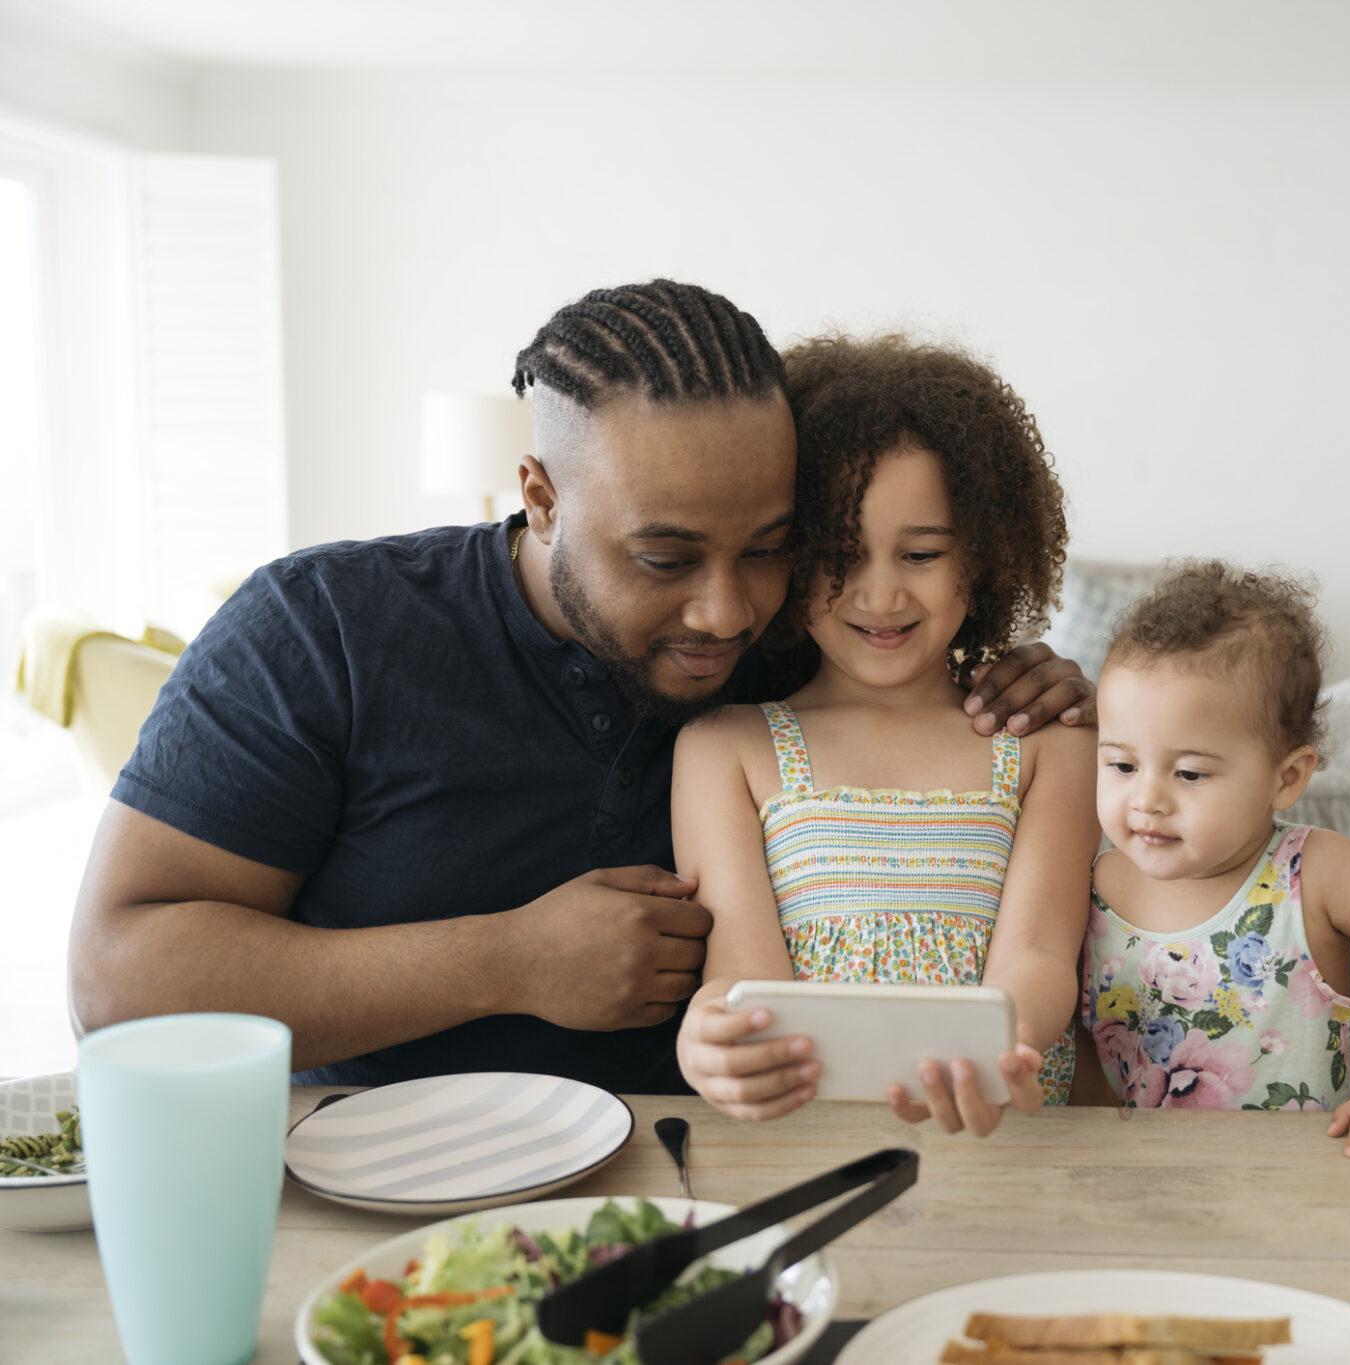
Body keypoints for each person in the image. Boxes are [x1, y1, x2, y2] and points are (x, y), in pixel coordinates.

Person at [66, 281, 1093, 1091]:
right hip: (360, 1172)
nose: (726, 613)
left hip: (698, 1174)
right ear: (541, 497)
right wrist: (502, 960)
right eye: (663, 557)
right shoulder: (324, 627)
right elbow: (119, 984)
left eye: (773, 547)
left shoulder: (789, 636)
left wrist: (1037, 684)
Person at [674, 334, 1099, 1135]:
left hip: (998, 1127)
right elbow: (738, 976)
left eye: (921, 552)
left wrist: (998, 1046)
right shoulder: (723, 746)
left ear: (982, 554)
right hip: (806, 1137)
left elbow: (1040, 953)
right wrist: (710, 1039)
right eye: (839, 554)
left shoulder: (1045, 741)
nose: (879, 591)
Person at [1078, 562, 1350, 1169]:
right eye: (1121, 765)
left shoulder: (1316, 871)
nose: (1148, 800)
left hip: (1315, 1185)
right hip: (1144, 1187)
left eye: (1189, 773)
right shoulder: (1087, 887)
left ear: (1287, 777)